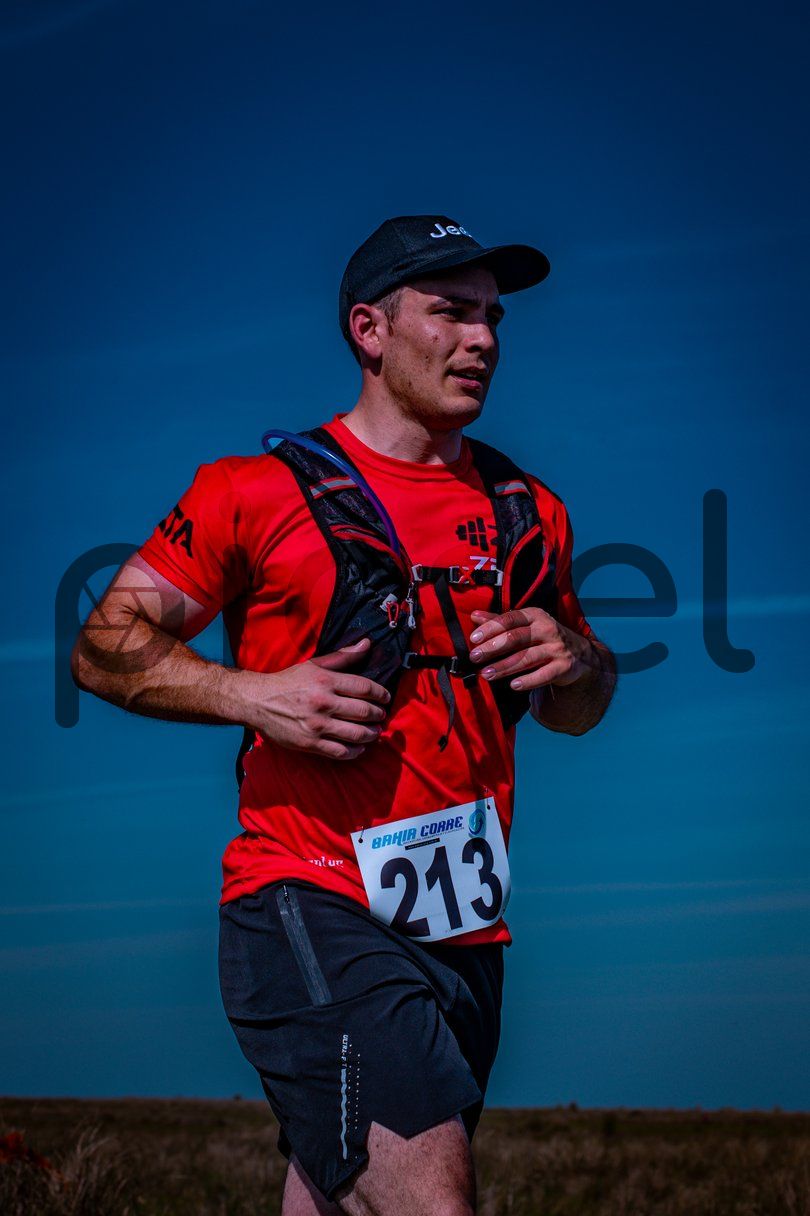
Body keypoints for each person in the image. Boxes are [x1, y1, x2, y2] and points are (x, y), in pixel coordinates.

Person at [72, 214, 617, 1216]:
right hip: (307, 896)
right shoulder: (253, 492)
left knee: (343, 1198)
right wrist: (254, 694)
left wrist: (579, 661)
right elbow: (103, 644)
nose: (483, 339)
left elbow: (575, 711)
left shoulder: (530, 511)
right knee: (433, 1197)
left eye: (493, 318)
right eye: (450, 312)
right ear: (369, 329)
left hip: (462, 924)